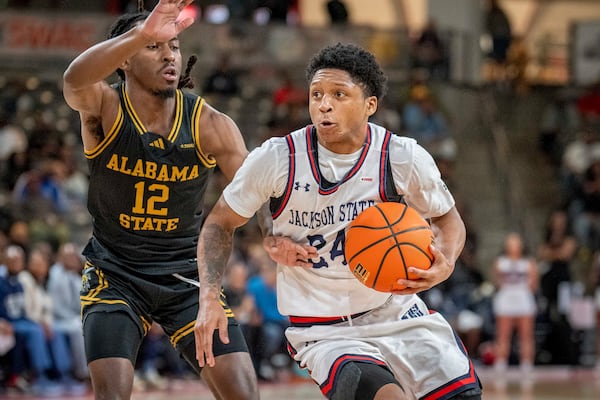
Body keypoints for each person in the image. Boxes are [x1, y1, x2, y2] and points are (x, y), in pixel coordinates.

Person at [195, 43, 482, 400]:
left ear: (370, 105)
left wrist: (447, 260)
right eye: (316, 94)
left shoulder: (402, 157)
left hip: (397, 313)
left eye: (339, 94)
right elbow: (219, 222)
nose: (323, 105)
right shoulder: (277, 157)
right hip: (325, 330)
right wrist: (210, 296)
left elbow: (447, 219)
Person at [62, 1, 259, 398]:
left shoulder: (211, 125)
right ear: (124, 61)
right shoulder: (105, 107)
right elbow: (73, 80)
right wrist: (140, 33)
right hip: (115, 272)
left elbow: (258, 196)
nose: (169, 54)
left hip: (185, 275)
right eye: (154, 47)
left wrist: (280, 236)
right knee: (112, 394)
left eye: (173, 45)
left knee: (244, 394)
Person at [492, 232, 539, 373]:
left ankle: (526, 362)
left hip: (523, 299)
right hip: (506, 299)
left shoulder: (529, 263)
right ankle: (501, 361)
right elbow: (497, 282)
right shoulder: (500, 262)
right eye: (511, 242)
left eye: (516, 242)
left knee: (526, 334)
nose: (513, 245)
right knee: (503, 333)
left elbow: (534, 283)